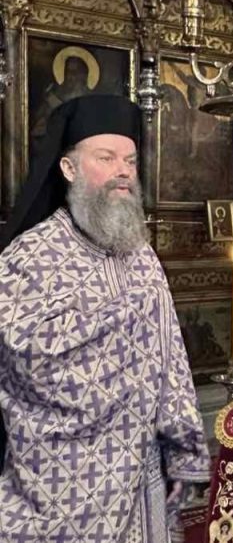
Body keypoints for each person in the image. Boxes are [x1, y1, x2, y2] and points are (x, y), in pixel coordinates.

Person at [0, 95, 210, 541]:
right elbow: (25, 358)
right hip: (61, 481)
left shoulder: (142, 254)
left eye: (130, 161)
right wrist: (123, 321)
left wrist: (183, 444)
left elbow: (171, 355)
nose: (123, 171)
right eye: (106, 158)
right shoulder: (29, 256)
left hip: (142, 473)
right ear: (69, 168)